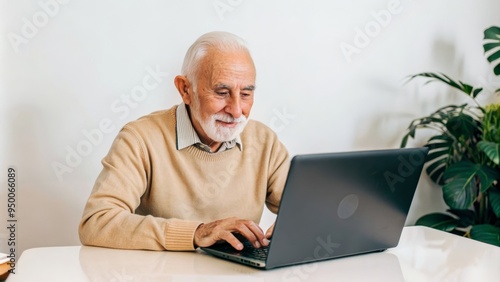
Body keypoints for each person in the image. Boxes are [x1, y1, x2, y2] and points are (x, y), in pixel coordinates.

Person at [78, 31, 290, 251]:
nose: (236, 111)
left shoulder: (264, 141)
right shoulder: (140, 139)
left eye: (245, 94)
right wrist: (197, 233)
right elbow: (97, 222)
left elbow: (308, 209)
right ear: (185, 89)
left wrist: (296, 226)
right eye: (221, 92)